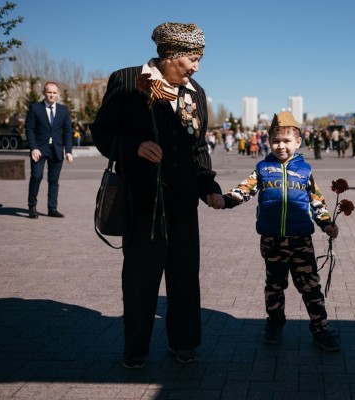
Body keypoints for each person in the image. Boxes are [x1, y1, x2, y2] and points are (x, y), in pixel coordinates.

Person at [90, 22, 224, 368]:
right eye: (191, 59)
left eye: (199, 60)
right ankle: (135, 350)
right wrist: (133, 147)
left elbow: (197, 149)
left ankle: (184, 343)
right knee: (140, 281)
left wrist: (208, 187)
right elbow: (102, 133)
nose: (196, 67)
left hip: (182, 203)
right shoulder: (128, 79)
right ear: (170, 55)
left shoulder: (196, 92)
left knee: (184, 278)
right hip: (143, 202)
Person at [219, 112, 341, 352]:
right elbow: (245, 188)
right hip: (272, 240)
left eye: (286, 141)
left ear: (298, 142)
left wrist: (326, 223)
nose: (281, 146)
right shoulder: (263, 169)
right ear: (269, 142)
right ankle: (274, 323)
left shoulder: (305, 171)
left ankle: (320, 328)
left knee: (310, 286)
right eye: (276, 141)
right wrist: (225, 200)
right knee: (274, 285)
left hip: (300, 241)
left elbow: (317, 200)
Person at [25, 82, 74, 218]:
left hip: (57, 150)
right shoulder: (35, 108)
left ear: (58, 94)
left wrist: (68, 151)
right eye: (49, 92)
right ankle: (32, 206)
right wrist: (33, 147)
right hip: (39, 150)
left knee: (53, 181)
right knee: (36, 176)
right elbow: (29, 129)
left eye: (54, 93)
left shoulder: (63, 110)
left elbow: (67, 131)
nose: (52, 95)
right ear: (44, 93)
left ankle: (52, 208)